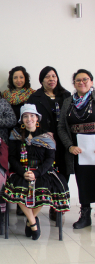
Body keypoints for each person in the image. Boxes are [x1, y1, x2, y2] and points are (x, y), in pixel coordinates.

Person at [4, 104, 70, 240]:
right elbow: (12, 157)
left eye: (32, 116)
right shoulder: (15, 135)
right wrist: (23, 172)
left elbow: (50, 159)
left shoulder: (47, 136)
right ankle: (33, 222)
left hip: (42, 171)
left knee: (43, 188)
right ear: (21, 120)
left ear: (37, 118)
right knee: (19, 188)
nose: (29, 119)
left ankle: (31, 221)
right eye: (25, 116)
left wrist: (37, 173)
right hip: (21, 170)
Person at [27, 67, 71, 220]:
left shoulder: (66, 96)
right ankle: (39, 203)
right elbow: (32, 119)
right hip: (44, 140)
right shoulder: (35, 97)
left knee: (63, 171)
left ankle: (57, 206)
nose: (51, 79)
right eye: (47, 76)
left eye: (54, 76)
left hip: (64, 139)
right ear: (42, 80)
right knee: (46, 169)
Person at [58, 69, 95, 229]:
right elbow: (61, 127)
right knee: (83, 181)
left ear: (91, 82)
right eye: (78, 80)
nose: (82, 83)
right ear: (74, 84)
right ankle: (85, 215)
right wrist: (69, 145)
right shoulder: (68, 101)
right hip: (78, 150)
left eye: (85, 79)